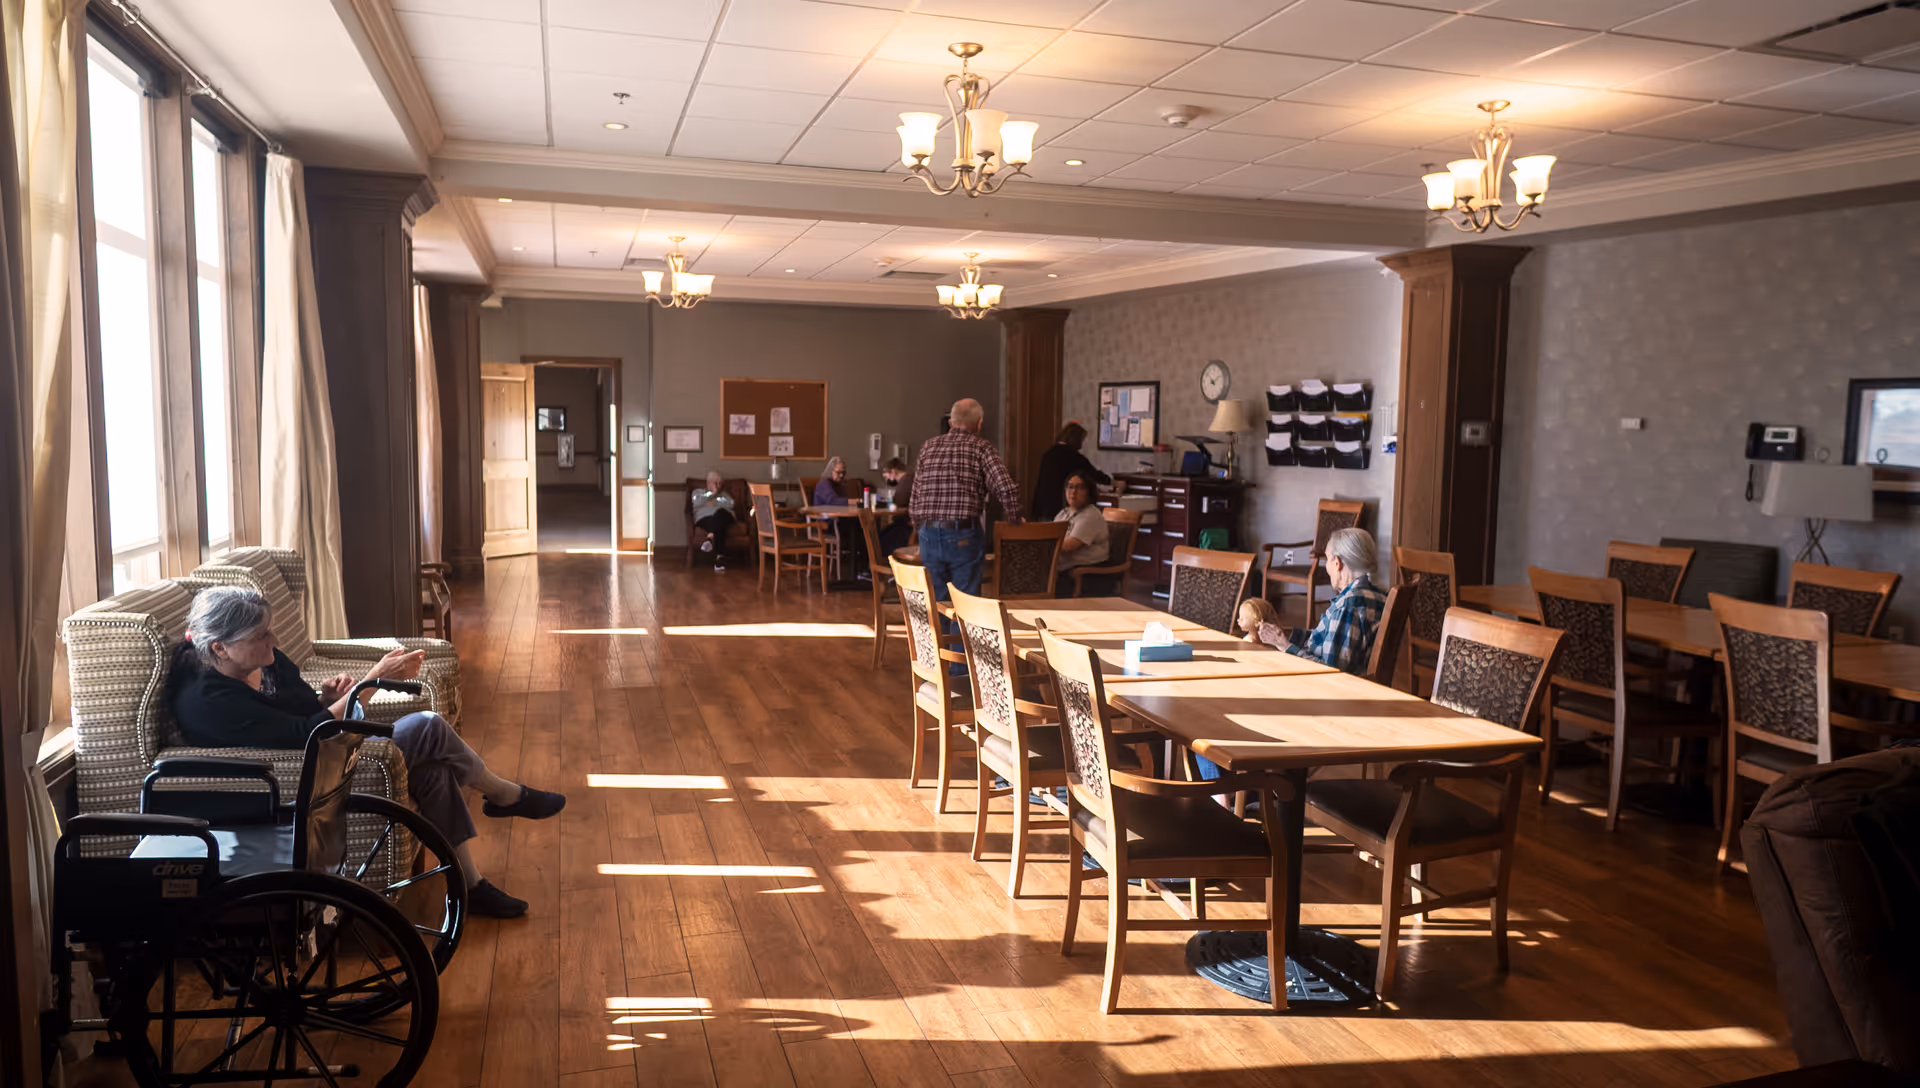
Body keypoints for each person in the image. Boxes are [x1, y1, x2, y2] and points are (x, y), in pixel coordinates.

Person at [165, 586, 567, 919]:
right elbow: (310, 734)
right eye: (261, 636)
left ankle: (470, 883)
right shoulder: (208, 700)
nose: (274, 641)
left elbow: (307, 710)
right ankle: (503, 795)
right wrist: (372, 682)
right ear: (219, 648)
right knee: (425, 725)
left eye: (269, 630)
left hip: (318, 749)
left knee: (431, 771)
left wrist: (327, 698)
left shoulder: (260, 661)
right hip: (303, 776)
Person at [909, 397, 1023, 605]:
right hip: (963, 534)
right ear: (979, 423)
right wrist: (1015, 520)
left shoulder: (928, 447)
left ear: (951, 422)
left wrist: (920, 531)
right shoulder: (981, 448)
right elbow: (1006, 489)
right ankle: (960, 638)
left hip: (929, 534)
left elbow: (915, 499)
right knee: (965, 603)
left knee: (937, 602)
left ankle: (939, 638)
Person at [1279, 527, 1387, 674]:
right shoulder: (1381, 596)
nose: (1327, 567)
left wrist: (1287, 647)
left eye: (1327, 559)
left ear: (1337, 563)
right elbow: (1332, 637)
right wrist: (1288, 635)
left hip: (1339, 690)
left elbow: (1331, 671)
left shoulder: (1348, 605)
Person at [1030, 422, 1111, 522]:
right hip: (1058, 506)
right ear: (1076, 439)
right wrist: (1111, 482)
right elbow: (1092, 474)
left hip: (1041, 506)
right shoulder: (1073, 457)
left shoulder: (1048, 454)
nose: (1081, 445)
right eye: (1081, 440)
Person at [1053, 471, 1108, 583]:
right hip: (1064, 568)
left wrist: (1042, 546)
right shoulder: (1064, 513)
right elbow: (1051, 534)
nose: (1073, 492)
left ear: (1089, 492)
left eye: (1079, 488)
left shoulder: (1090, 515)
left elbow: (1068, 547)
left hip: (1087, 573)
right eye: (1070, 487)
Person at [690, 470, 736, 570]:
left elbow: (731, 504)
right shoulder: (698, 492)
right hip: (705, 518)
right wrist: (710, 494)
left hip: (724, 516)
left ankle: (710, 537)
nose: (718, 486)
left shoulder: (724, 494)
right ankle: (720, 558)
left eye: (720, 483)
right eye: (716, 483)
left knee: (720, 514)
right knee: (719, 525)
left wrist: (715, 502)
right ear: (708, 483)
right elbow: (696, 502)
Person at [878, 457, 914, 557]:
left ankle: (881, 566)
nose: (887, 480)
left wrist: (888, 502)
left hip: (908, 527)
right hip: (915, 526)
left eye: (887, 477)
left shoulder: (905, 481)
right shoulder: (911, 478)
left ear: (893, 471)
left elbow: (898, 502)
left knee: (879, 538)